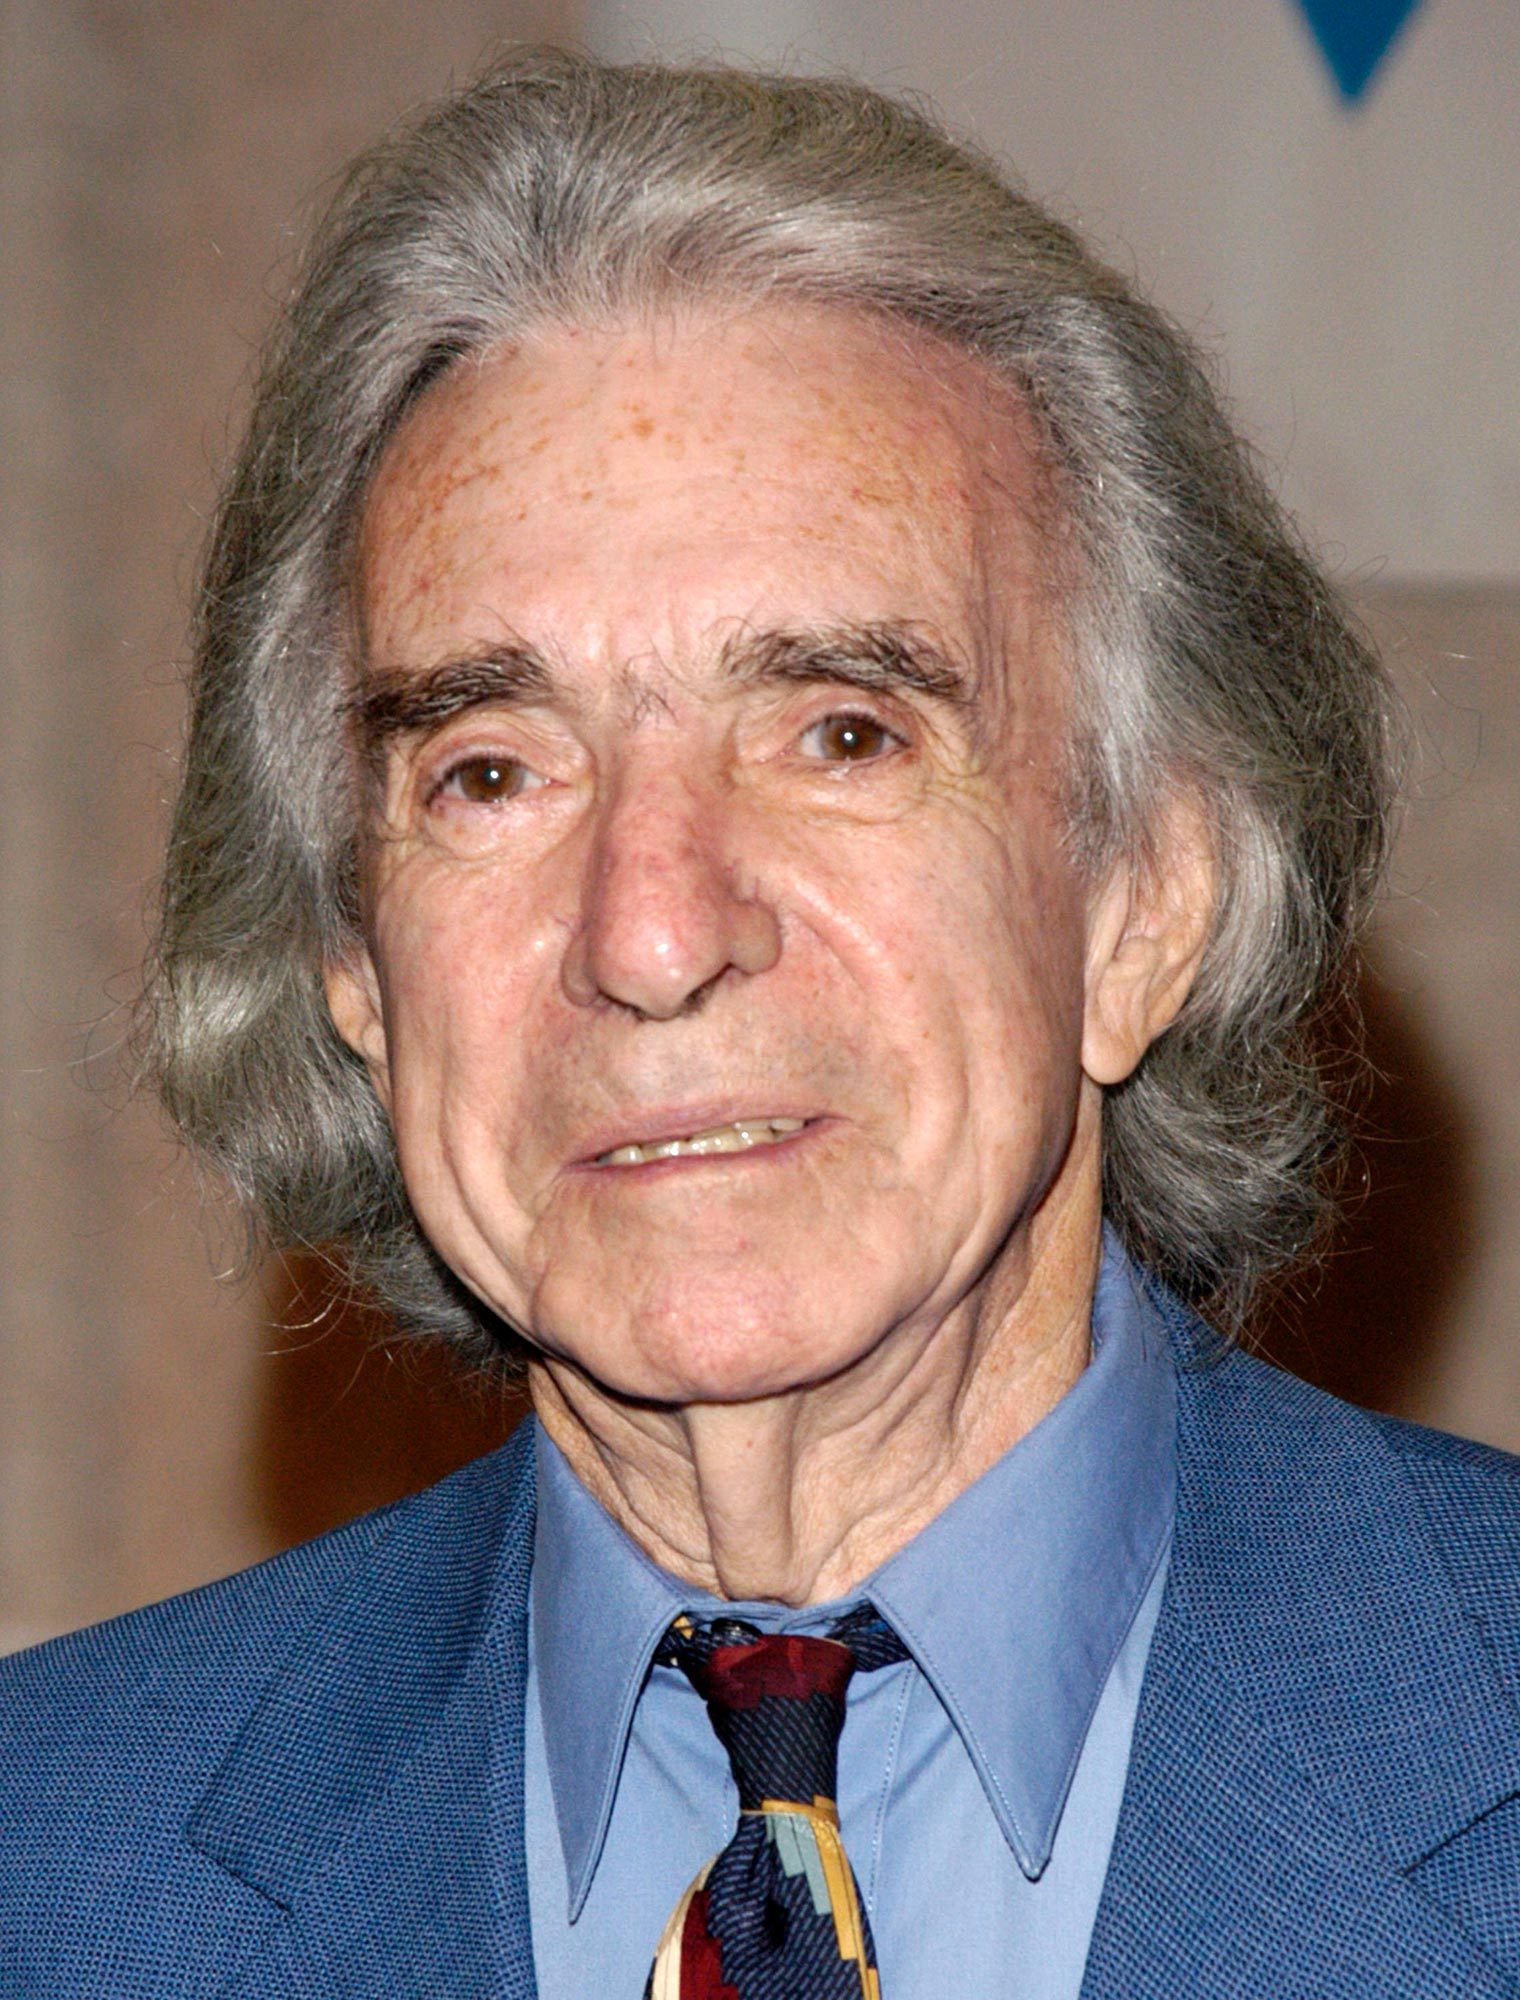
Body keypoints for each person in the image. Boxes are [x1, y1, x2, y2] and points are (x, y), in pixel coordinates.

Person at [3, 49, 1517, 2000]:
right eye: (488, 767)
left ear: (1143, 902)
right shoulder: (47, 1862)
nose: (649, 931)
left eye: (839, 731)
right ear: (354, 973)